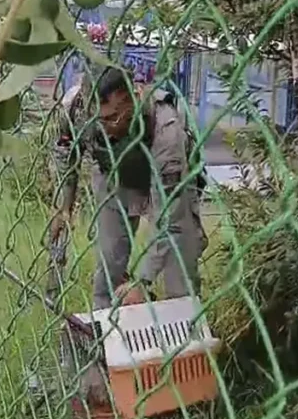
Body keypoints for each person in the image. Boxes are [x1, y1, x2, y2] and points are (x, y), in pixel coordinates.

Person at [50, 67, 207, 310]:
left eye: (114, 118)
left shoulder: (166, 128)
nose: (106, 128)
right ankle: (104, 334)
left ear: (132, 98)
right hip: (116, 177)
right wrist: (64, 206)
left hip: (169, 181)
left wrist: (143, 281)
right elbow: (65, 152)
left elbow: (170, 218)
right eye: (97, 119)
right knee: (109, 266)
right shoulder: (75, 107)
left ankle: (187, 336)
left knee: (180, 277)